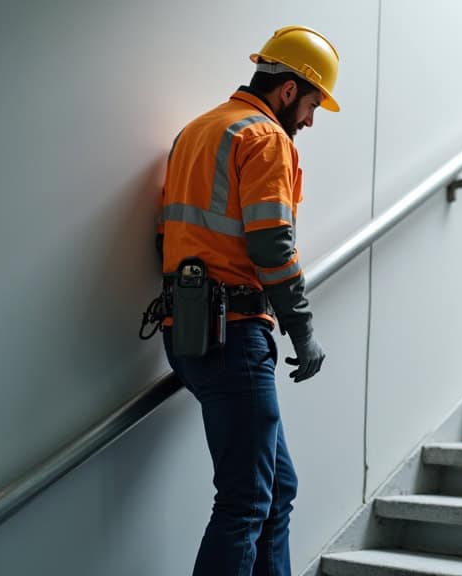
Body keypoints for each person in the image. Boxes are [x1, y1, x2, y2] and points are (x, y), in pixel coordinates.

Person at [156, 25, 340, 576]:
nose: (309, 121)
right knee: (246, 501)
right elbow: (271, 243)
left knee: (277, 489)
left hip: (187, 328)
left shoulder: (198, 130)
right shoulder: (265, 137)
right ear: (288, 91)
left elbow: (168, 236)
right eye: (310, 106)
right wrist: (303, 331)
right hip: (234, 331)